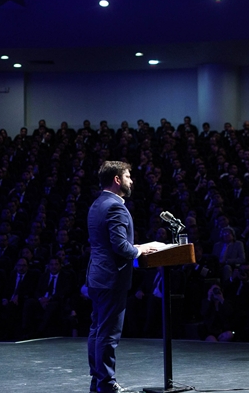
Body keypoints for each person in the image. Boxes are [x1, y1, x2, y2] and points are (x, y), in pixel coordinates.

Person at [86, 161, 164, 393]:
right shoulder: (116, 207)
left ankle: (98, 380)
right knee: (108, 334)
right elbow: (121, 247)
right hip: (112, 278)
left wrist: (138, 246)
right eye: (128, 176)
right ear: (117, 180)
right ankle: (107, 383)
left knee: (97, 330)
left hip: (97, 276)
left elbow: (109, 243)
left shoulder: (97, 204)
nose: (131, 180)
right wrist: (140, 250)